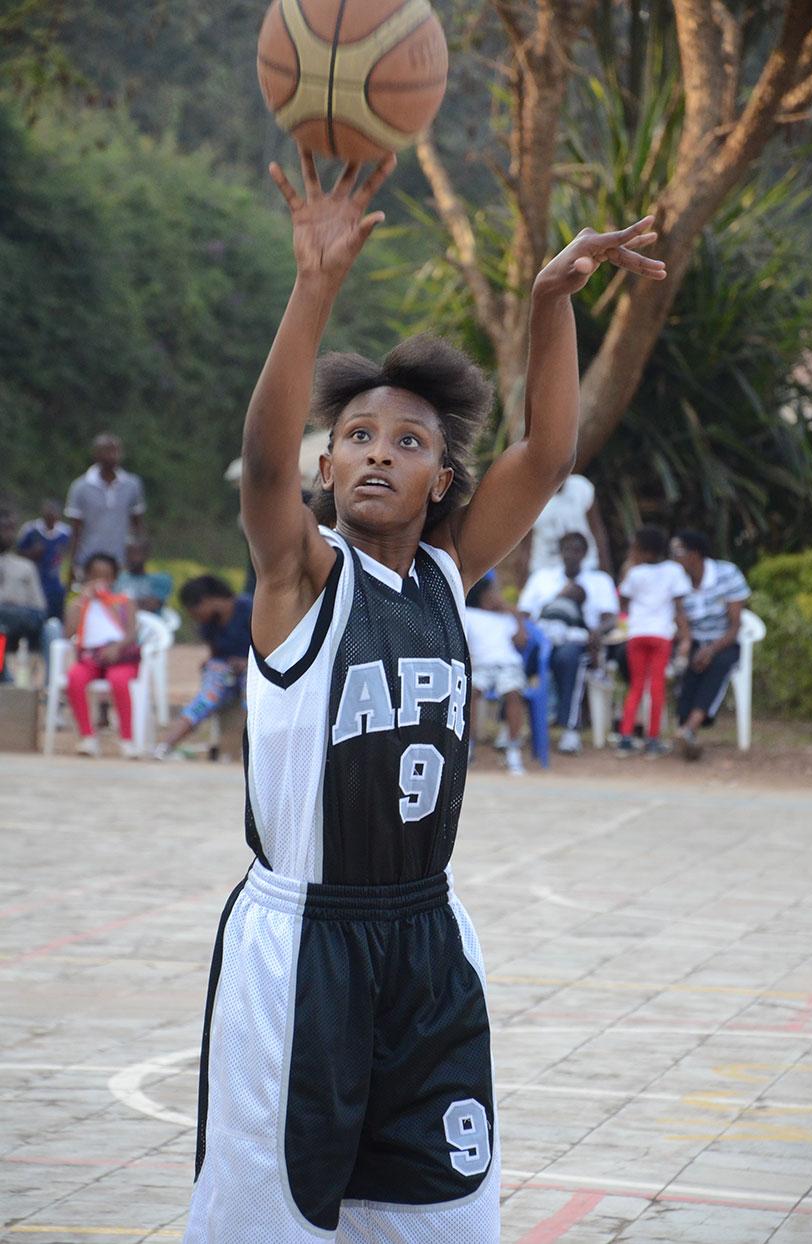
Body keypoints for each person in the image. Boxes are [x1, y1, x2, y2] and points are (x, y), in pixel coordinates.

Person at [181, 145, 665, 1244]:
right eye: (355, 436)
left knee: (441, 1220)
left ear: (442, 477)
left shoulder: (446, 573)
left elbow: (545, 452)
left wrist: (548, 300)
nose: (376, 455)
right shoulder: (298, 577)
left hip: (427, 937)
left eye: (408, 442)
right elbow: (260, 469)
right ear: (326, 465)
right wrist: (314, 285)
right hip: (301, 944)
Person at [519, 530, 619, 754]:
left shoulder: (599, 581)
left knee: (569, 658)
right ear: (560, 552)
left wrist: (597, 632)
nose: (571, 555)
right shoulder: (542, 578)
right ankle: (511, 727)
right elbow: (524, 615)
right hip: (542, 639)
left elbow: (610, 618)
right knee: (518, 662)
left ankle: (570, 730)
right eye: (566, 549)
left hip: (577, 641)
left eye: (576, 550)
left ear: (585, 553)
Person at [671, 529, 751, 761]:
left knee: (717, 665)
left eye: (679, 552)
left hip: (724, 641)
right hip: (693, 639)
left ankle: (690, 728)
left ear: (695, 554)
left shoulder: (726, 574)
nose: (675, 557)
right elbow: (679, 614)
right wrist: (687, 643)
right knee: (686, 667)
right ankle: (686, 730)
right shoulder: (677, 578)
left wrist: (712, 649)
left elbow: (735, 624)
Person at [153, 575, 252, 759]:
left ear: (206, 601)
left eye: (194, 611)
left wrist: (246, 662)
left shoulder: (248, 608)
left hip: (254, 668)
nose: (195, 617)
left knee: (251, 697)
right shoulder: (209, 624)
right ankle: (165, 746)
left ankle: (253, 748)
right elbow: (216, 652)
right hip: (226, 671)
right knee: (206, 698)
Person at [616, 525, 691, 757]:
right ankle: (652, 740)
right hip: (661, 635)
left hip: (637, 634)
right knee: (656, 687)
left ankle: (625, 738)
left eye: (635, 549)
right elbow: (679, 608)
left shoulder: (635, 573)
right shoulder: (673, 571)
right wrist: (685, 635)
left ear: (646, 552)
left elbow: (623, 602)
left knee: (636, 686)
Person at [63, 552, 141, 757]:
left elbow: (132, 633)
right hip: (90, 659)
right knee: (74, 677)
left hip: (120, 658)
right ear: (87, 577)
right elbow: (68, 632)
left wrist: (117, 647)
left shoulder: (124, 601)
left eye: (106, 576)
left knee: (119, 681)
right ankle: (87, 737)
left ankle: (127, 740)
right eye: (95, 576)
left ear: (114, 578)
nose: (100, 581)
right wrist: (81, 602)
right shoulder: (80, 603)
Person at [465, 577, 528, 776]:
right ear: (482, 595)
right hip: (480, 666)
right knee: (471, 693)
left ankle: (512, 749)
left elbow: (521, 643)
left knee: (513, 693)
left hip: (507, 666)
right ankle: (468, 746)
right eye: (493, 592)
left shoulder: (505, 618)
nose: (497, 596)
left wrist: (516, 616)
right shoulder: (469, 614)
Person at [64, 433, 146, 580]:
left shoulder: (132, 485)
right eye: (107, 451)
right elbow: (76, 529)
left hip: (121, 561)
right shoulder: (80, 487)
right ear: (96, 454)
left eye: (116, 451)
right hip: (89, 562)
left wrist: (139, 559)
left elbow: (137, 525)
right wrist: (73, 563)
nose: (112, 456)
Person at [526, 473, 612, 576]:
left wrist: (605, 571)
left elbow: (597, 531)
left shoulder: (581, 488)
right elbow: (525, 546)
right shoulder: (530, 497)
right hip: (546, 572)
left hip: (586, 567)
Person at [0, 505, 47, 682]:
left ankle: (48, 690)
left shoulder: (25, 567)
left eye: (11, 529)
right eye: (4, 529)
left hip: (19, 625)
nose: (8, 534)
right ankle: (5, 678)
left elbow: (39, 609)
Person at [17, 499, 72, 622]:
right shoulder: (31, 530)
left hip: (56, 581)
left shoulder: (66, 533)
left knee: (55, 615)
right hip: (34, 579)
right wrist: (32, 553)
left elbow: (70, 555)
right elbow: (18, 553)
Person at [115, 538, 173, 614]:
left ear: (147, 555)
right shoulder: (117, 578)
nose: (132, 557)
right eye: (129, 552)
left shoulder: (161, 579)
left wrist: (122, 603)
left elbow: (151, 605)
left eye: (137, 553)